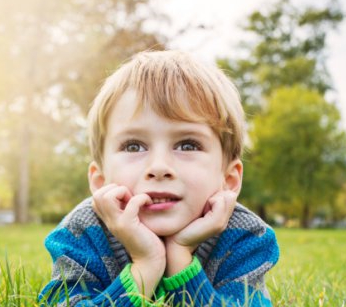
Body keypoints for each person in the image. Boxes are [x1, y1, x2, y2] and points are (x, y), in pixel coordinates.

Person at [38, 50, 279, 306]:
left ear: (228, 180)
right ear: (100, 182)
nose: (159, 167)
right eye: (133, 146)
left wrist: (181, 259)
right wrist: (146, 265)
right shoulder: (81, 234)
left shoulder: (245, 238)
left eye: (187, 145)